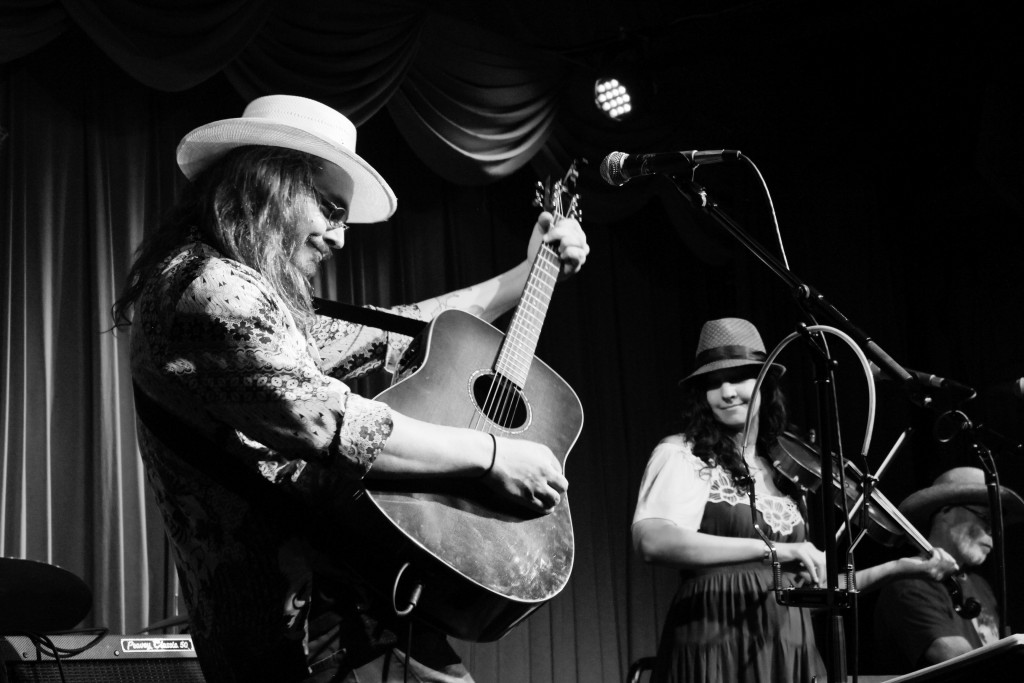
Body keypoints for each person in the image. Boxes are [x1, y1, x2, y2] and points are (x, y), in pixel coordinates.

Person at [111, 94, 589, 683]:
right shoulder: (212, 290)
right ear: (272, 180)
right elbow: (331, 421)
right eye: (331, 209)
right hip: (285, 638)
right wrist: (492, 455)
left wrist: (529, 271)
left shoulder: (252, 294)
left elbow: (411, 326)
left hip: (340, 615)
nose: (340, 237)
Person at [631, 317, 958, 683]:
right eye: (713, 383)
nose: (726, 393)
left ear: (766, 385)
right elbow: (652, 541)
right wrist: (775, 550)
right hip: (717, 638)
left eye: (739, 377)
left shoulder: (785, 472)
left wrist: (900, 568)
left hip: (790, 647)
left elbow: (812, 590)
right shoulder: (683, 454)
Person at [873, 467, 1024, 673]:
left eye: (997, 525)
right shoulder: (909, 582)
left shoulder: (980, 585)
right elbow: (964, 665)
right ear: (946, 511)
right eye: (986, 518)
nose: (993, 533)